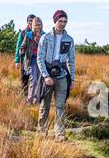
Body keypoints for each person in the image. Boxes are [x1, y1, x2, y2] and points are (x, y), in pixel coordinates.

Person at [36, 10, 75, 141]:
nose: (63, 24)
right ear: (55, 21)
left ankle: (60, 134)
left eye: (65, 21)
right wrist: (46, 76)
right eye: (60, 21)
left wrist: (72, 78)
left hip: (62, 75)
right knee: (44, 105)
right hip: (47, 74)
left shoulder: (69, 40)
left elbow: (71, 60)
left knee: (60, 106)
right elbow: (40, 58)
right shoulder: (45, 38)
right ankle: (42, 131)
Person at [19, 16, 45, 104]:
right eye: (36, 25)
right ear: (33, 25)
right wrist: (22, 50)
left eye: (39, 25)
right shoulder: (29, 35)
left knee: (39, 81)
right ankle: (29, 100)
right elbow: (22, 46)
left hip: (41, 60)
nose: (38, 27)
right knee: (33, 79)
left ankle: (36, 100)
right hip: (31, 60)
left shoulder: (44, 35)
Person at [15, 14, 36, 95]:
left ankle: (34, 95)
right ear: (27, 22)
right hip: (25, 60)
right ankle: (24, 94)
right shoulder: (23, 33)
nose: (31, 22)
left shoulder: (40, 32)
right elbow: (18, 47)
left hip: (36, 60)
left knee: (35, 78)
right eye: (29, 20)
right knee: (25, 77)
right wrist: (17, 61)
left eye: (33, 20)